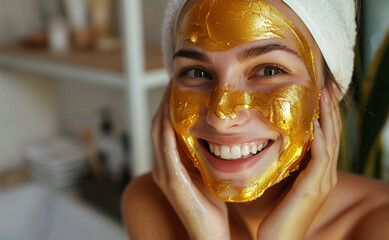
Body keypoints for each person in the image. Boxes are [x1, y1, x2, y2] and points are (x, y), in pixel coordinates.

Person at [122, 0, 389, 239]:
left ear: (329, 91)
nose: (221, 116)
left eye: (269, 70)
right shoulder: (149, 204)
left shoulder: (380, 223)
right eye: (196, 72)